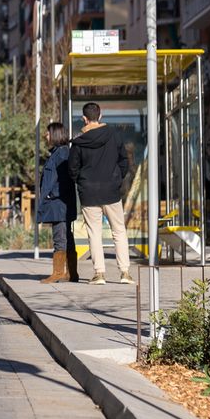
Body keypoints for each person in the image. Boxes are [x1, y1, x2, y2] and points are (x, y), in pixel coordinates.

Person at [69, 102, 135, 286]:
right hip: (111, 191)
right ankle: (125, 273)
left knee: (94, 233)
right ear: (101, 115)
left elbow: (72, 168)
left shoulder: (79, 142)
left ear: (84, 118)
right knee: (119, 231)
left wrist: (81, 182)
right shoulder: (114, 136)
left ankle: (99, 274)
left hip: (89, 192)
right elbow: (124, 161)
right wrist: (116, 179)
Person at [38, 122, 79, 283]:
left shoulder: (61, 153)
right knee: (66, 236)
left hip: (59, 203)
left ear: (55, 134)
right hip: (60, 202)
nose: (45, 136)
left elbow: (63, 180)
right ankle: (71, 273)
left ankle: (59, 273)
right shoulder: (59, 152)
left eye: (48, 133)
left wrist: (51, 195)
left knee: (60, 237)